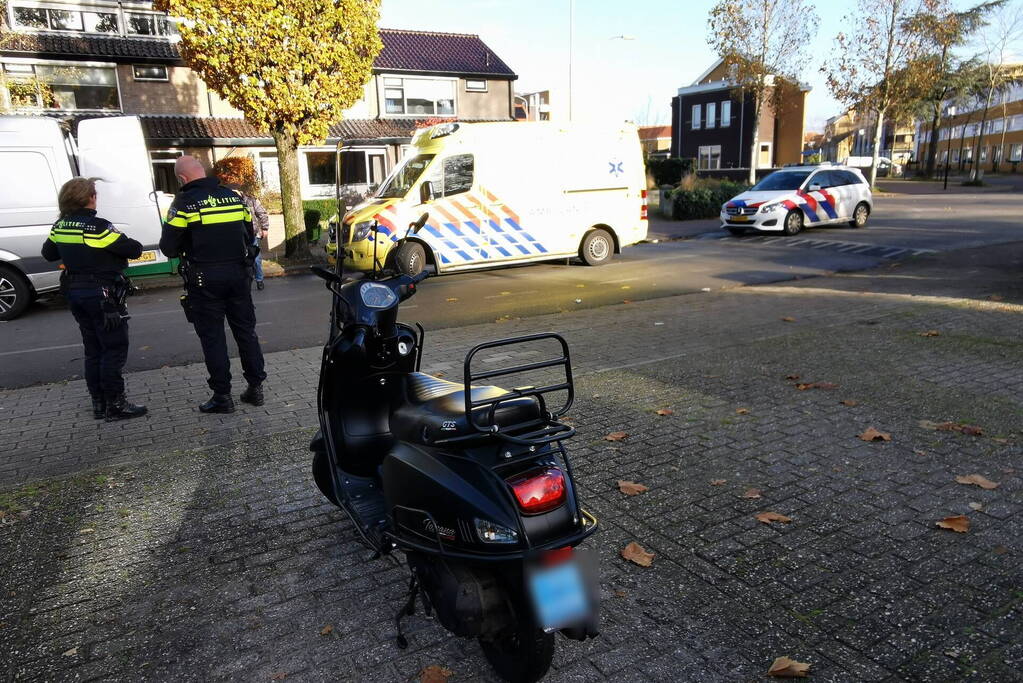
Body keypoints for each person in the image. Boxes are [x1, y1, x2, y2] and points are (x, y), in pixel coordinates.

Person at [159, 156, 267, 414]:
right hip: (239, 275)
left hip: (204, 280)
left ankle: (222, 396)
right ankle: (255, 388)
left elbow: (169, 247)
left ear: (182, 178)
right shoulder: (233, 197)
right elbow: (249, 234)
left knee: (213, 337)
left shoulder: (183, 203)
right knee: (246, 332)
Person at [41, 177, 147, 421]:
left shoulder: (60, 226)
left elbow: (49, 253)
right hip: (102, 295)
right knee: (113, 348)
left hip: (75, 292)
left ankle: (98, 403)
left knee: (93, 349)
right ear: (90, 198)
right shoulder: (97, 227)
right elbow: (133, 249)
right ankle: (116, 404)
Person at [211, 160, 270, 290]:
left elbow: (262, 213)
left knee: (255, 258)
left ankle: (259, 279)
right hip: (234, 236)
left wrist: (265, 228)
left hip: (251, 234)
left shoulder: (251, 200)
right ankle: (243, 281)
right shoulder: (225, 202)